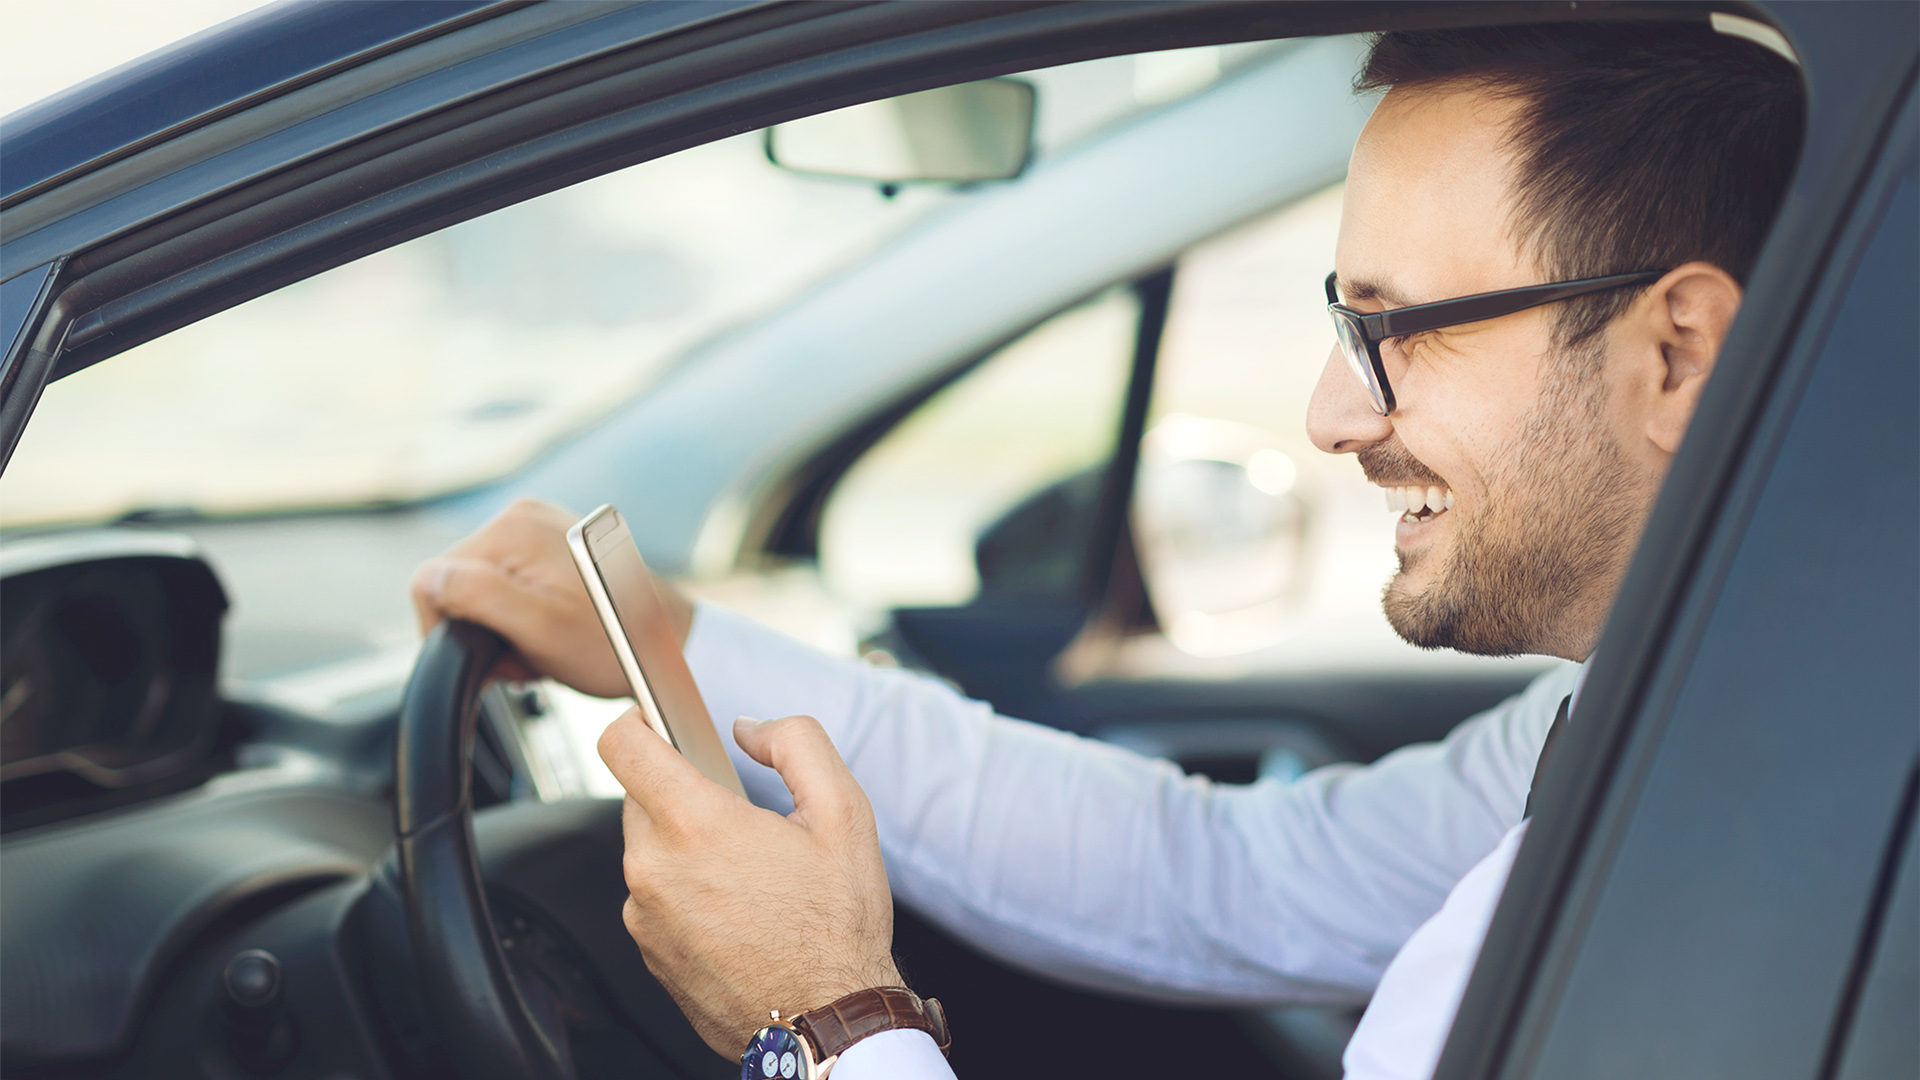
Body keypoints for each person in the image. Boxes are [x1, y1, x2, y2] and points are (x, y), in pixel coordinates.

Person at [411, 24, 1803, 1080]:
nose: (1332, 414)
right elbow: (1216, 876)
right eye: (1342, 323)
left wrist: (826, 1024)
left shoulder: (1768, 835)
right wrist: (674, 650)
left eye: (1401, 327)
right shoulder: (1666, 710)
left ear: (1677, 355)